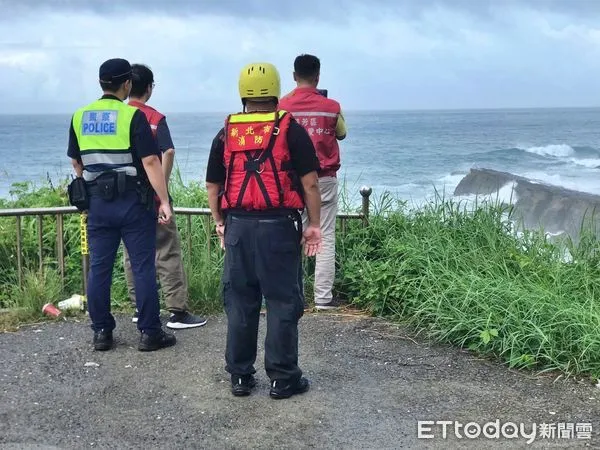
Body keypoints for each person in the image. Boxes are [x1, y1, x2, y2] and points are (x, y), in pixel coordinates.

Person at [205, 62, 322, 399]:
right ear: (275, 90)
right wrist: (313, 225)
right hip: (279, 228)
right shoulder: (290, 129)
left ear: (243, 92)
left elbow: (214, 184)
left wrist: (220, 221)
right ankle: (283, 378)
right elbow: (310, 183)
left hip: (239, 226)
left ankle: (240, 377)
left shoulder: (226, 132)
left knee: (240, 302)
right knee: (283, 302)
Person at [67, 58, 176, 352]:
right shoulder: (131, 117)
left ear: (101, 83)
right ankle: (149, 332)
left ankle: (102, 332)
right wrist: (163, 200)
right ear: (127, 85)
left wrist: (87, 185)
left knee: (99, 267)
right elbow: (151, 161)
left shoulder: (79, 117)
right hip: (133, 202)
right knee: (142, 266)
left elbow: (76, 161)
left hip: (98, 203)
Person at [123, 63, 207, 330]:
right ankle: (177, 312)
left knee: (132, 254)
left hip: (126, 197)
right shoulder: (155, 119)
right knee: (167, 251)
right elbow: (167, 151)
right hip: (153, 197)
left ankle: (140, 307)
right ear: (149, 88)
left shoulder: (119, 117)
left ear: (127, 86)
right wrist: (163, 190)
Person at [279, 54, 347, 311]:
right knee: (325, 235)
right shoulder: (331, 106)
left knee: (290, 235)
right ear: (318, 76)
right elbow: (342, 133)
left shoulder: (281, 107)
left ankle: (289, 293)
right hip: (324, 179)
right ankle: (323, 298)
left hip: (291, 179)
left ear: (294, 76)